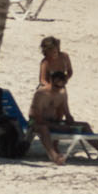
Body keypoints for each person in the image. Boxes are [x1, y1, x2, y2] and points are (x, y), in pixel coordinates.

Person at [30, 36, 75, 164]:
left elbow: (70, 71)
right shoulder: (45, 62)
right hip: (50, 87)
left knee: (61, 115)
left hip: (60, 85)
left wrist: (64, 80)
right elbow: (42, 79)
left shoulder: (64, 56)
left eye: (55, 51)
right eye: (51, 51)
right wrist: (50, 87)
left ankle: (55, 143)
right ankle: (53, 147)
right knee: (50, 114)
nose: (54, 54)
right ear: (46, 51)